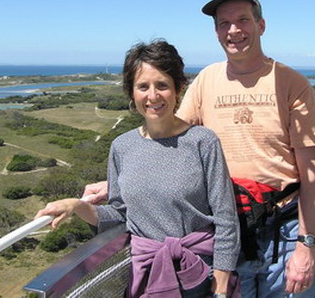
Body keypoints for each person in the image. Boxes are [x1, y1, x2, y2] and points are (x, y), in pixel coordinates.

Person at [83, 0, 315, 297]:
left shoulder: (291, 83)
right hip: (227, 228)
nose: (233, 30)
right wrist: (118, 184)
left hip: (283, 227)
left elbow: (311, 173)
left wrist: (306, 245)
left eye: (243, 20)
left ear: (261, 25)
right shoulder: (207, 80)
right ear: (215, 32)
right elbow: (168, 138)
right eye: (224, 23)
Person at [37, 39, 240, 297]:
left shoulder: (202, 141)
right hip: (147, 274)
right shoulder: (122, 147)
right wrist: (77, 206)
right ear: (132, 93)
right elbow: (120, 214)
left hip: (200, 273)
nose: (152, 96)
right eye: (143, 86)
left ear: (178, 89)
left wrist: (221, 282)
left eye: (162, 85)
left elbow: (226, 218)